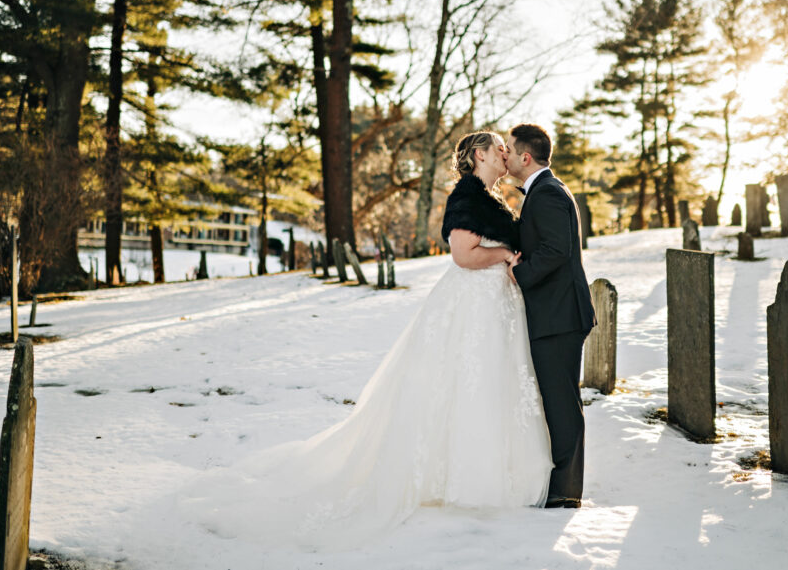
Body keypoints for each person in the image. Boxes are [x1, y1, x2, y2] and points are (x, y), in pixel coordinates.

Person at [178, 131, 551, 549]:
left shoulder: (493, 198)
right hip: (471, 305)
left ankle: (477, 474)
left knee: (481, 388)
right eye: (499, 148)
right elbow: (463, 257)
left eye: (507, 149)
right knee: (460, 384)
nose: (505, 154)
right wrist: (503, 256)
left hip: (492, 307)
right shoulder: (466, 196)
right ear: (479, 154)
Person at [505, 123, 596, 509]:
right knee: (557, 401)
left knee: (561, 403)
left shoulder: (547, 195)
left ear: (526, 157)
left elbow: (556, 250)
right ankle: (560, 486)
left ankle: (565, 492)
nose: (505, 155)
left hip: (559, 316)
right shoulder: (545, 192)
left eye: (509, 150)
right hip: (556, 314)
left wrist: (518, 274)